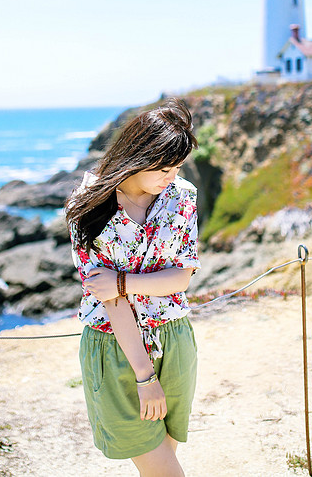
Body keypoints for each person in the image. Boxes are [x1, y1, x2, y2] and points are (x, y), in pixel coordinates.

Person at [66, 98, 200, 477]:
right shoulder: (89, 203)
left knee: (163, 461)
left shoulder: (182, 196)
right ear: (136, 157)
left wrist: (122, 281)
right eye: (162, 168)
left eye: (177, 167)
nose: (170, 177)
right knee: (165, 470)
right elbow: (109, 300)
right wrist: (145, 376)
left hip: (174, 335)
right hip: (116, 345)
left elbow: (182, 276)